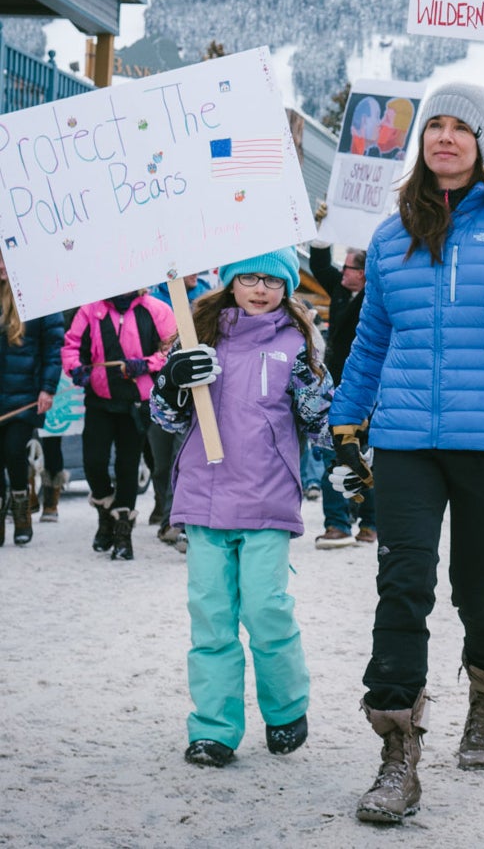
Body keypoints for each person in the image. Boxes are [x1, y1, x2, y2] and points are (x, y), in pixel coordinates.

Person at [327, 81, 484, 824]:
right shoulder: (390, 233)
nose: (444, 137)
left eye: (459, 128)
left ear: (481, 142)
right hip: (405, 437)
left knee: (477, 584)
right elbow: (371, 339)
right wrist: (346, 424)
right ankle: (397, 752)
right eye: (433, 125)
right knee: (403, 582)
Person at [150, 247, 333, 768]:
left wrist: (325, 403)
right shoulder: (196, 338)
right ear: (230, 281)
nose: (260, 289)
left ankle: (286, 709)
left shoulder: (297, 344)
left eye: (273, 281)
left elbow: (320, 421)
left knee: (265, 608)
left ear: (287, 288)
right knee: (210, 617)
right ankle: (214, 728)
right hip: (205, 500)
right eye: (249, 277)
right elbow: (164, 419)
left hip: (266, 497)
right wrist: (172, 383)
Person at [61, 289, 176, 559]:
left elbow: (171, 349)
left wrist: (145, 364)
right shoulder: (90, 309)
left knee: (127, 465)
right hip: (99, 398)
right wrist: (76, 368)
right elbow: (71, 345)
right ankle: (105, 512)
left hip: (135, 402)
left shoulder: (156, 309)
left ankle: (123, 532)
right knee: (94, 463)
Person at [308, 234, 377, 548]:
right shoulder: (339, 288)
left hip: (367, 387)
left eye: (348, 267)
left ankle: (370, 524)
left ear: (362, 273)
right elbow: (319, 265)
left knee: (366, 456)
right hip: (334, 387)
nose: (342, 271)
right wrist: (322, 236)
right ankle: (337, 523)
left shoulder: (374, 296)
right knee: (332, 454)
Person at [0, 251, 64, 547]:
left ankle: (22, 508)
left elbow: (53, 345)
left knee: (14, 451)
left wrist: (47, 388)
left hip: (23, 397)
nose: (2, 266)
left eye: (5, 259)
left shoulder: (38, 297)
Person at [149, 273, 214, 540]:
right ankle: (168, 515)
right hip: (163, 391)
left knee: (186, 458)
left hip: (201, 400)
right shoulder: (157, 302)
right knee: (164, 464)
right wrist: (165, 370)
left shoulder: (206, 295)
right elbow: (166, 348)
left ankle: (178, 522)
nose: (195, 273)